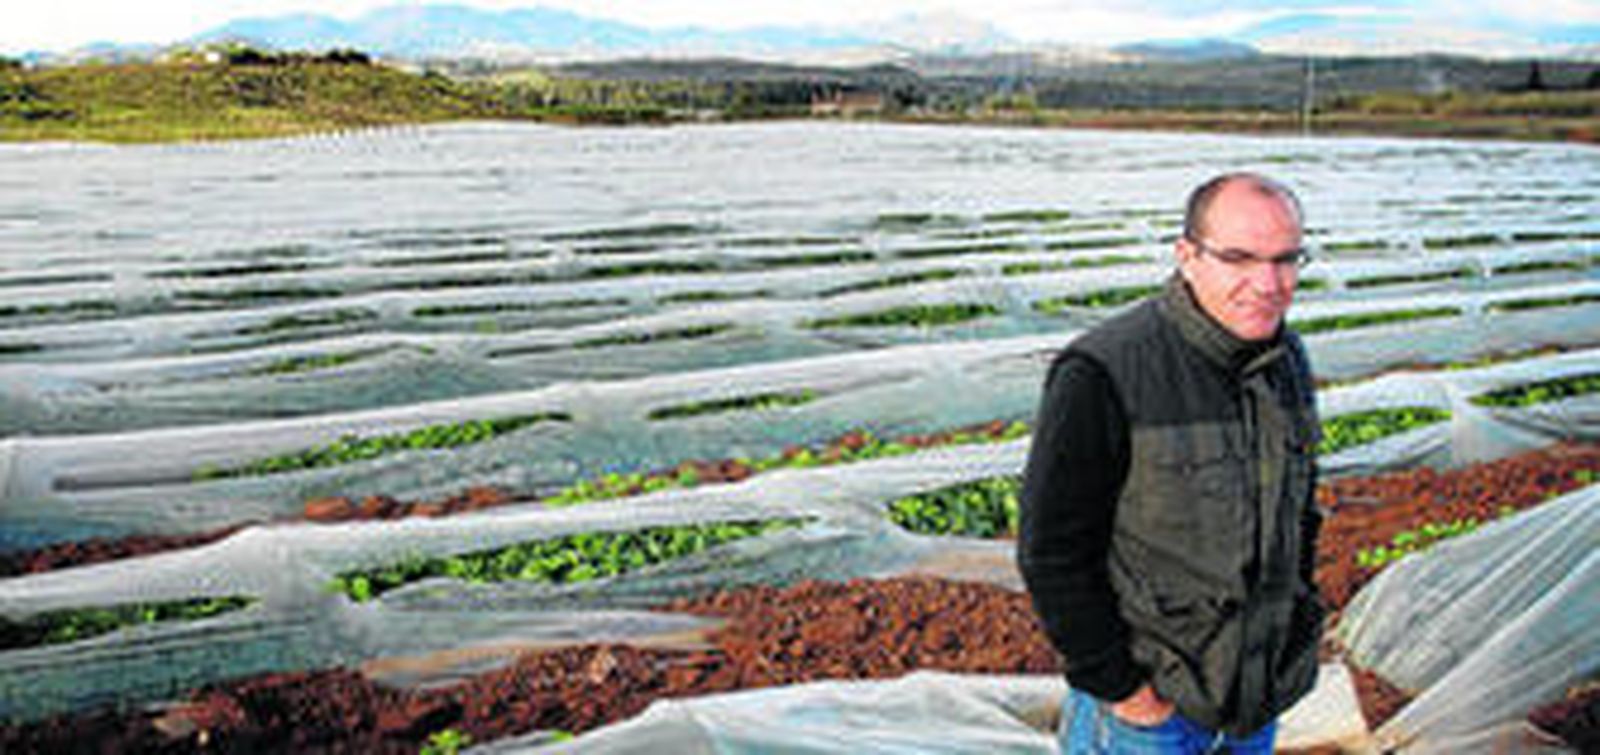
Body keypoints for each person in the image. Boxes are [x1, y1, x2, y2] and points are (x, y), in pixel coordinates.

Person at [1018, 173, 1324, 754]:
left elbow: (1300, 513)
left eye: (1287, 260)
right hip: (1153, 713)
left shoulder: (1288, 359)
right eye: (1239, 258)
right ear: (1187, 256)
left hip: (1255, 700)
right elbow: (1050, 553)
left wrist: (1287, 643)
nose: (1268, 283)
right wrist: (1126, 692)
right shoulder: (1104, 371)